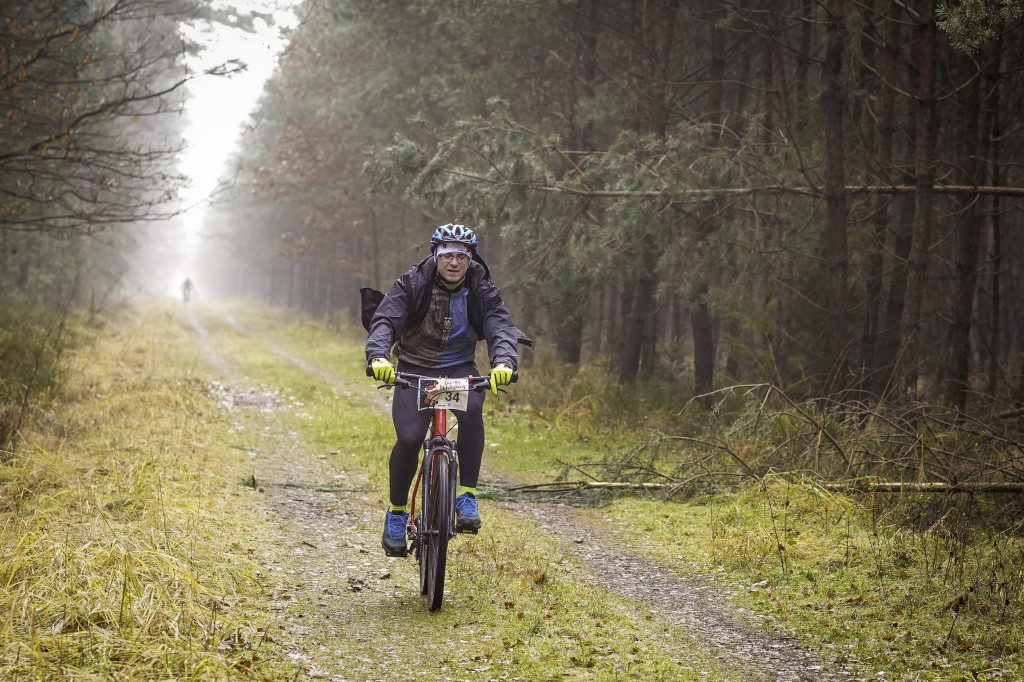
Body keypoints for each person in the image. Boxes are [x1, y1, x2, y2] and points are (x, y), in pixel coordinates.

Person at [365, 224, 523, 557]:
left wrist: (505, 363)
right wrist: (379, 355)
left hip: (458, 367)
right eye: (447, 255)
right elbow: (386, 319)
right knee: (409, 438)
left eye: (461, 256)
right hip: (413, 367)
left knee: (473, 411)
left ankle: (466, 495)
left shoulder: (481, 287)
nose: (454, 263)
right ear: (435, 255)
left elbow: (500, 324)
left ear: (470, 259)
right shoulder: (413, 282)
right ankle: (396, 513)